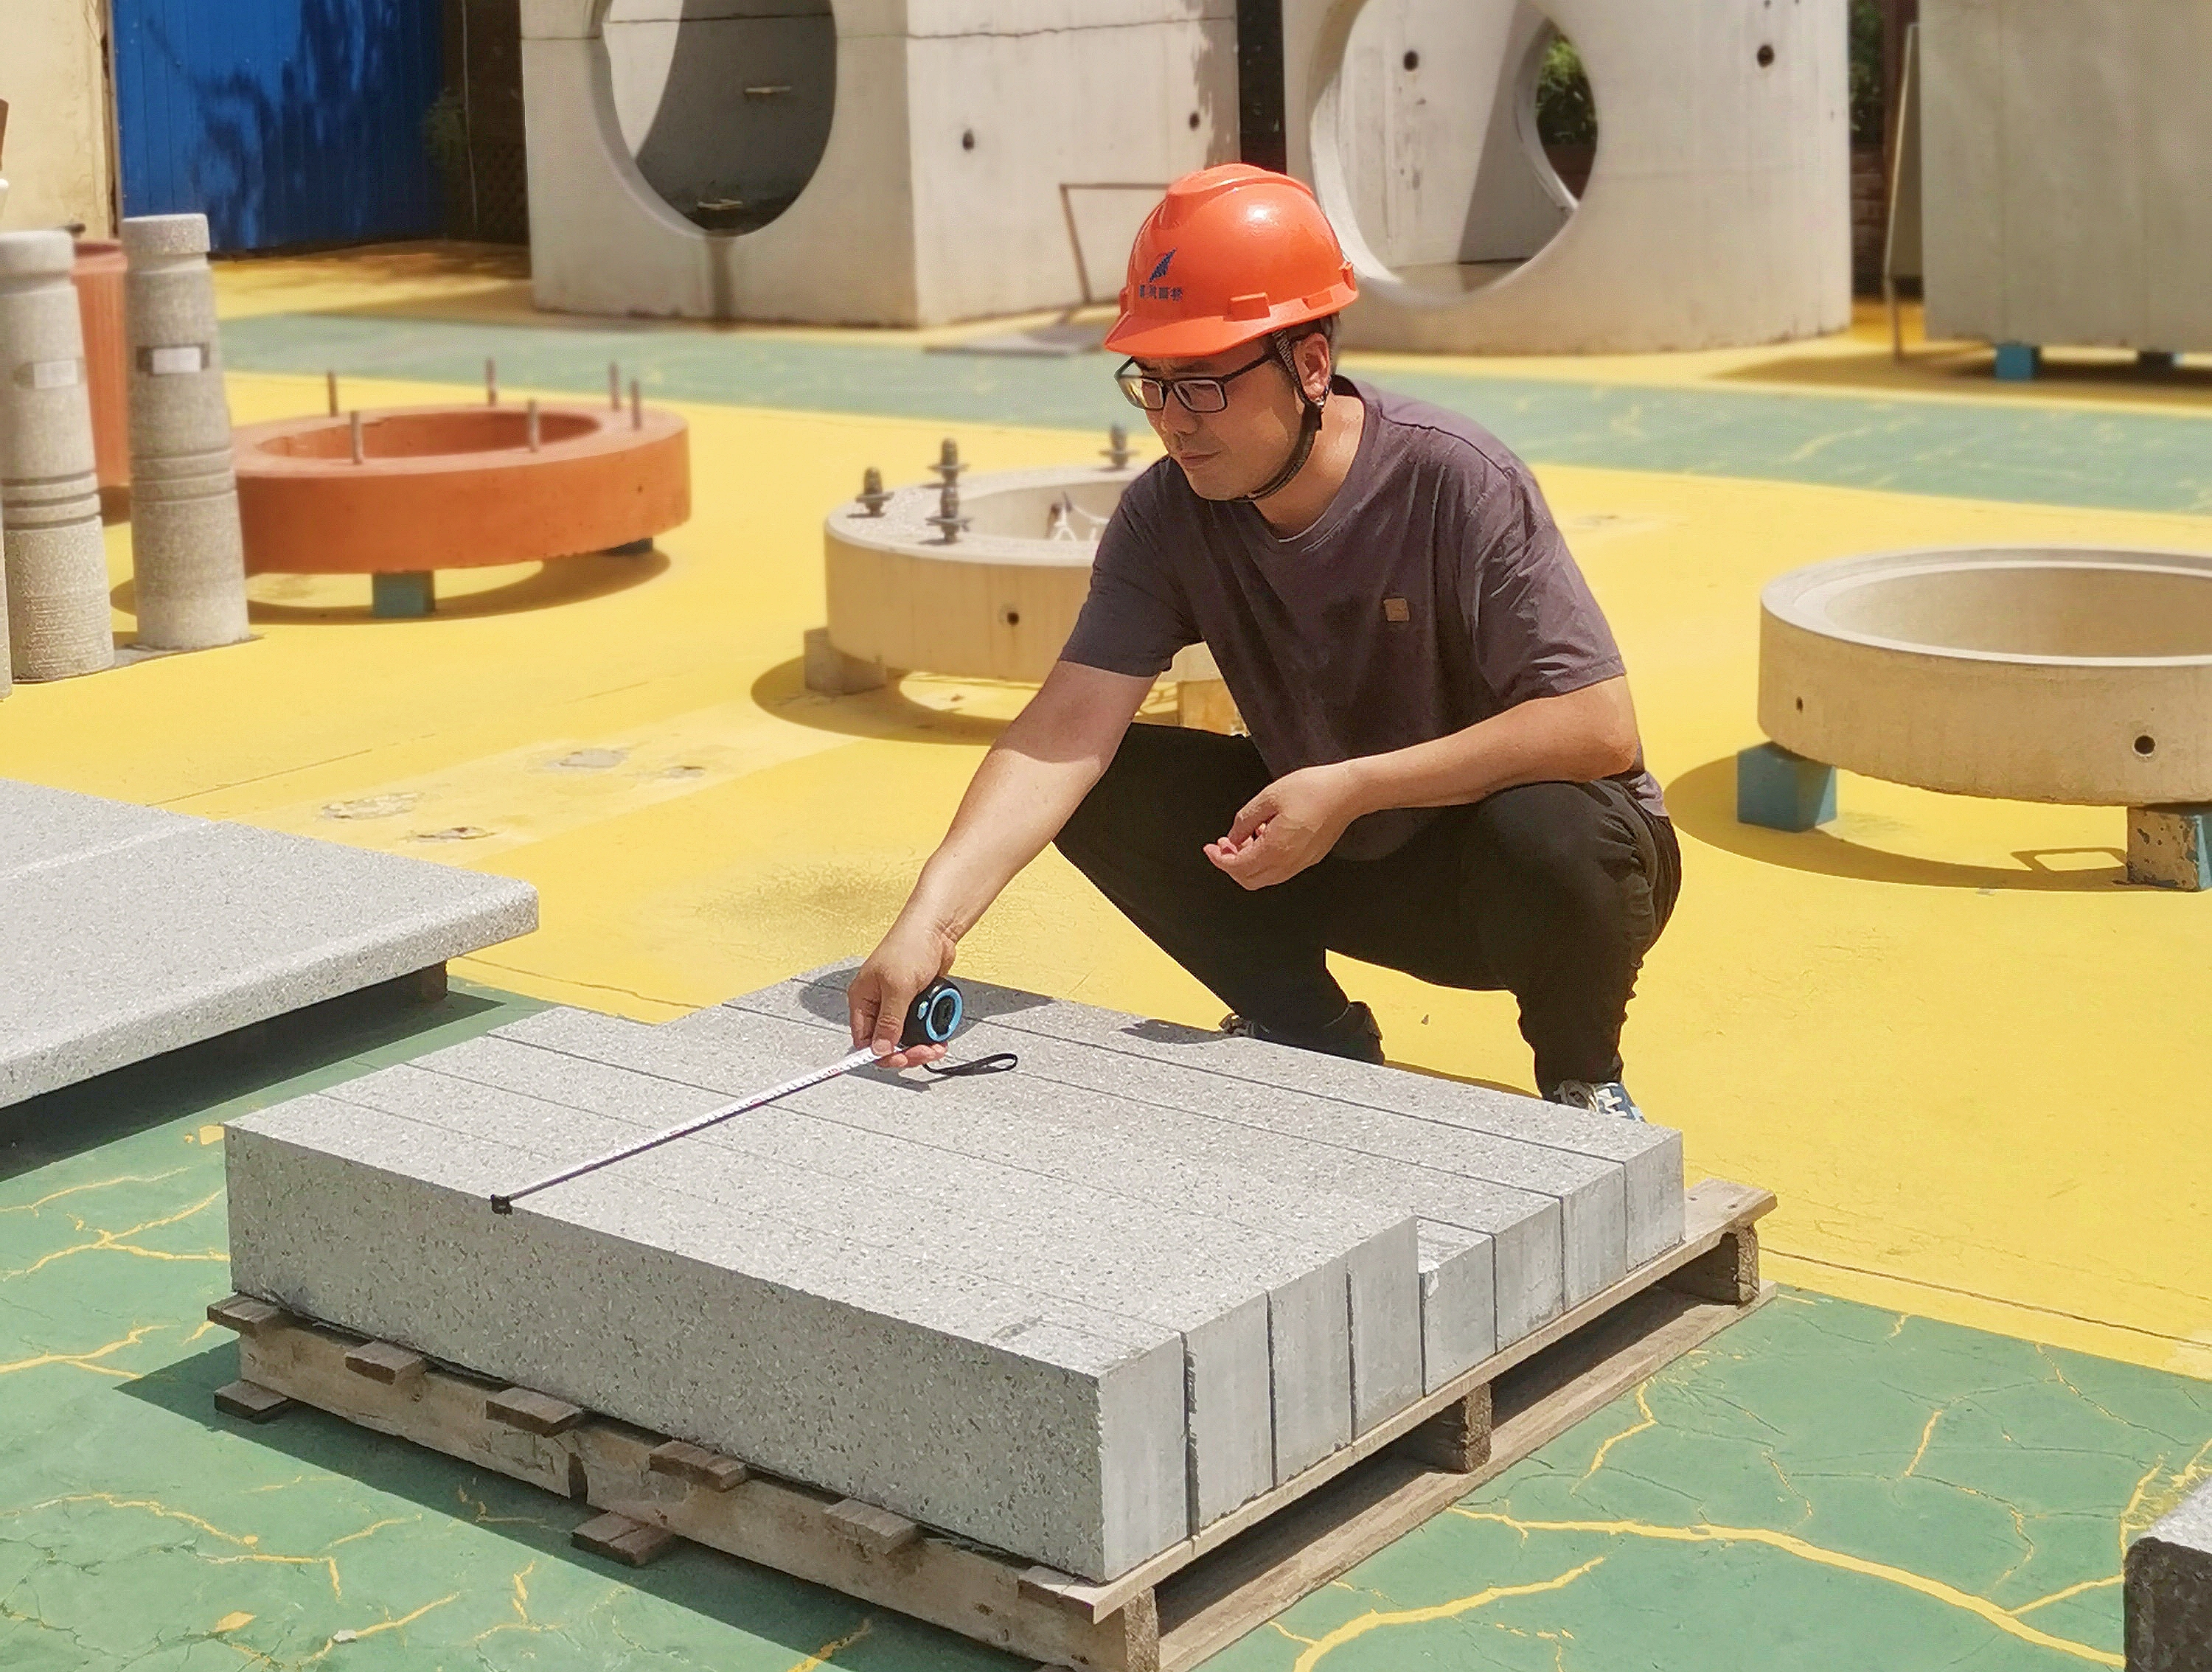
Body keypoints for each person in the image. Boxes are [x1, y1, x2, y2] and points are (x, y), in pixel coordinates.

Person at [848, 164, 1678, 1118]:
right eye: (1152, 385)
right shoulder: (1168, 516)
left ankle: (1583, 1080)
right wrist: (929, 923)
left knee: (1554, 827)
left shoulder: (1455, 480)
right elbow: (1062, 731)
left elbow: (1598, 727)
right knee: (1100, 781)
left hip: (1517, 880)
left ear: (1311, 366)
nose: (1172, 424)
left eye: (1203, 386)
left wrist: (1353, 786)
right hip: (1335, 853)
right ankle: (1310, 1031)